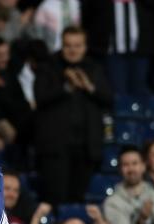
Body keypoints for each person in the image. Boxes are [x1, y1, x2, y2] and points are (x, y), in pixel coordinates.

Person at [33, 26, 112, 205]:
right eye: (68, 45)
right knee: (56, 199)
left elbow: (108, 98)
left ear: (85, 47)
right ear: (62, 45)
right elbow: (40, 98)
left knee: (78, 200)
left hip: (86, 148)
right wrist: (66, 88)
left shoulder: (94, 68)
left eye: (77, 46)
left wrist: (88, 86)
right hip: (55, 149)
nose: (73, 50)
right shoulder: (48, 67)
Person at [82, 0, 154, 97]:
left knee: (140, 93)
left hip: (141, 49)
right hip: (112, 51)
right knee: (118, 94)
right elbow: (89, 11)